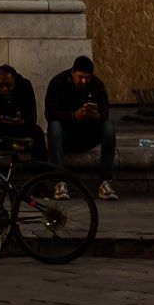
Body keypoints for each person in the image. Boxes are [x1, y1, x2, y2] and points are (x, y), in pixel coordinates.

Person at [44, 54, 117, 198]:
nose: (83, 81)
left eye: (87, 78)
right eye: (80, 77)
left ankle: (105, 182)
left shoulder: (97, 85)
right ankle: (59, 182)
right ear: (73, 73)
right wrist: (73, 115)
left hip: (89, 133)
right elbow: (50, 113)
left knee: (109, 127)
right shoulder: (58, 82)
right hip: (66, 134)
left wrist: (96, 115)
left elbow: (105, 112)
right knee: (54, 127)